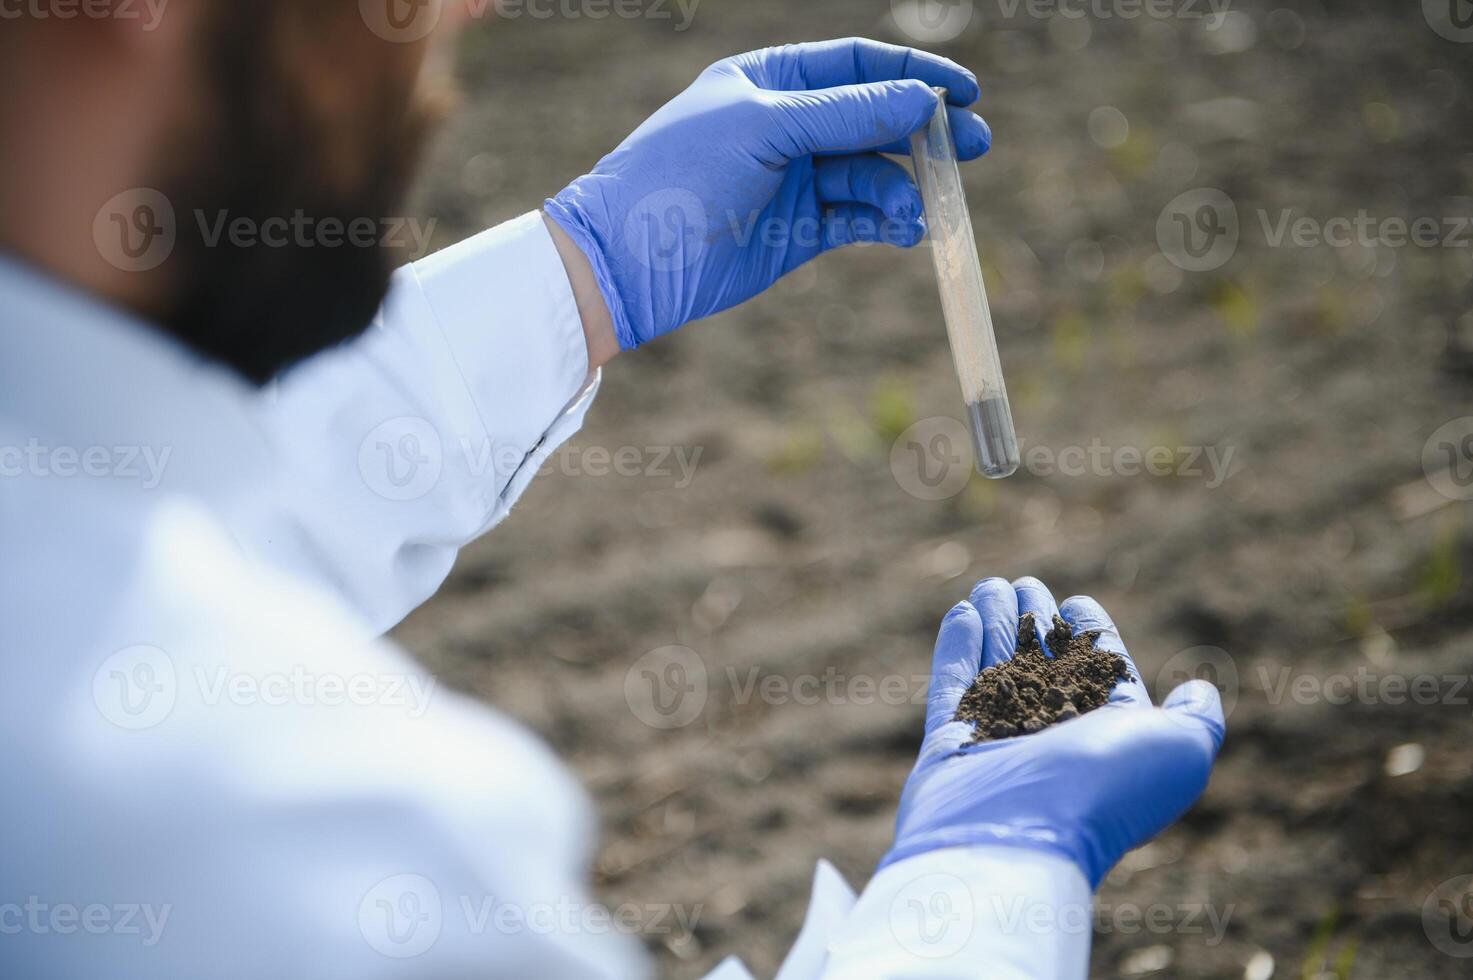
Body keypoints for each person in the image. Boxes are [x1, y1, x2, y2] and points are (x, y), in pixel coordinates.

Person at [0, 5, 1225, 977]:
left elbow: (122, 525)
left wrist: (583, 271)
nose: (462, 10)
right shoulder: (305, 844)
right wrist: (983, 889)